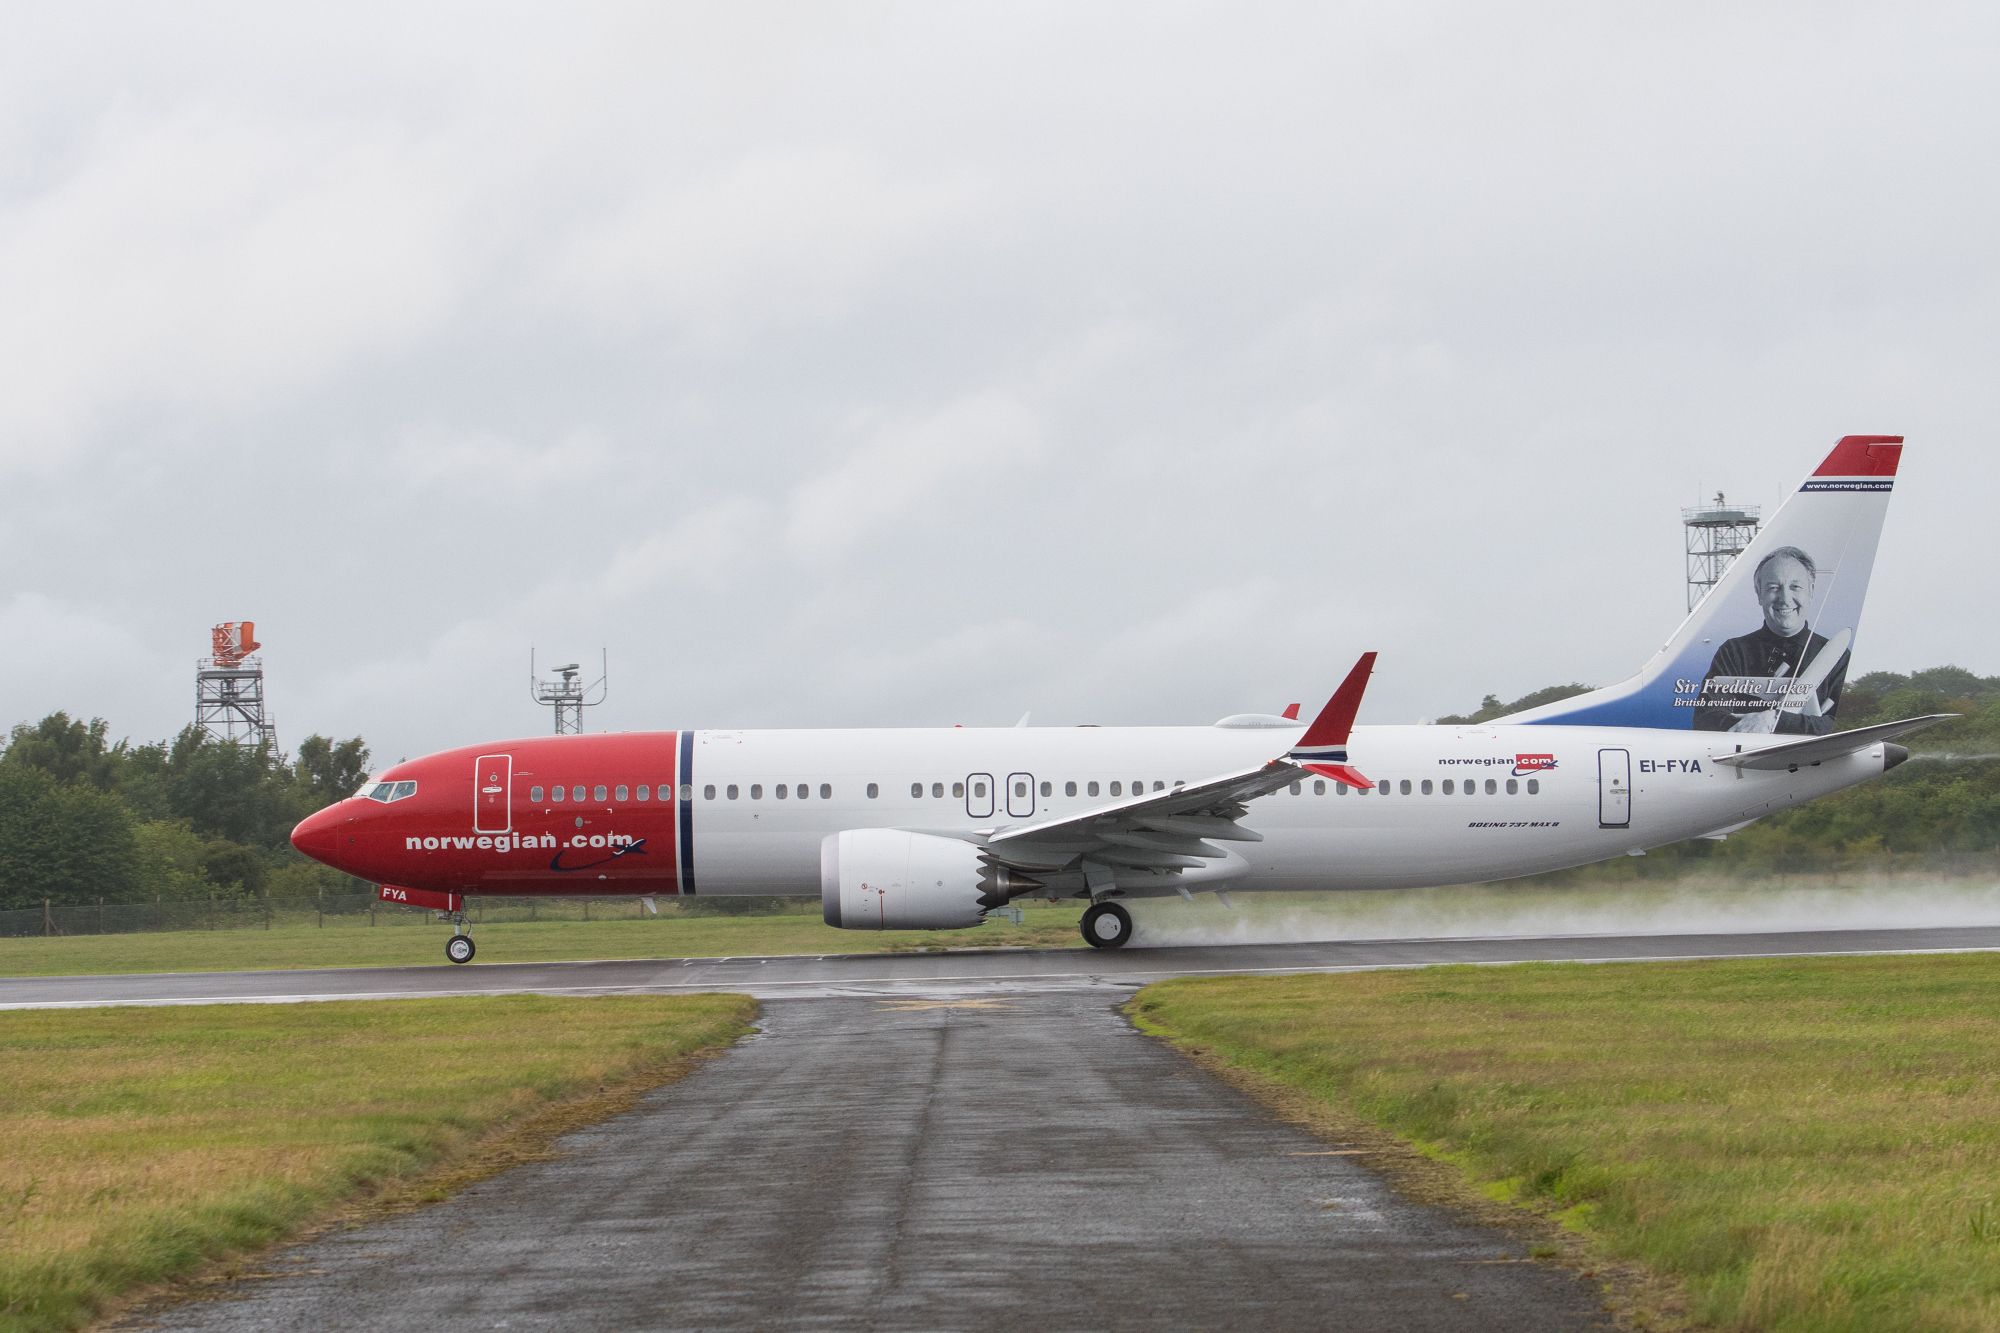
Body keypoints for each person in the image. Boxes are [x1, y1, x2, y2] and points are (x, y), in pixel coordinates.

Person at [1691, 546, 1846, 734]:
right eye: (1773, 588)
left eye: (1795, 587)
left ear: (1811, 591)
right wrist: (1753, 722)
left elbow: (1843, 725)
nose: (1785, 599)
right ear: (1759, 593)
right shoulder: (1733, 651)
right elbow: (1706, 718)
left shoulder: (1839, 657)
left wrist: (1774, 719)